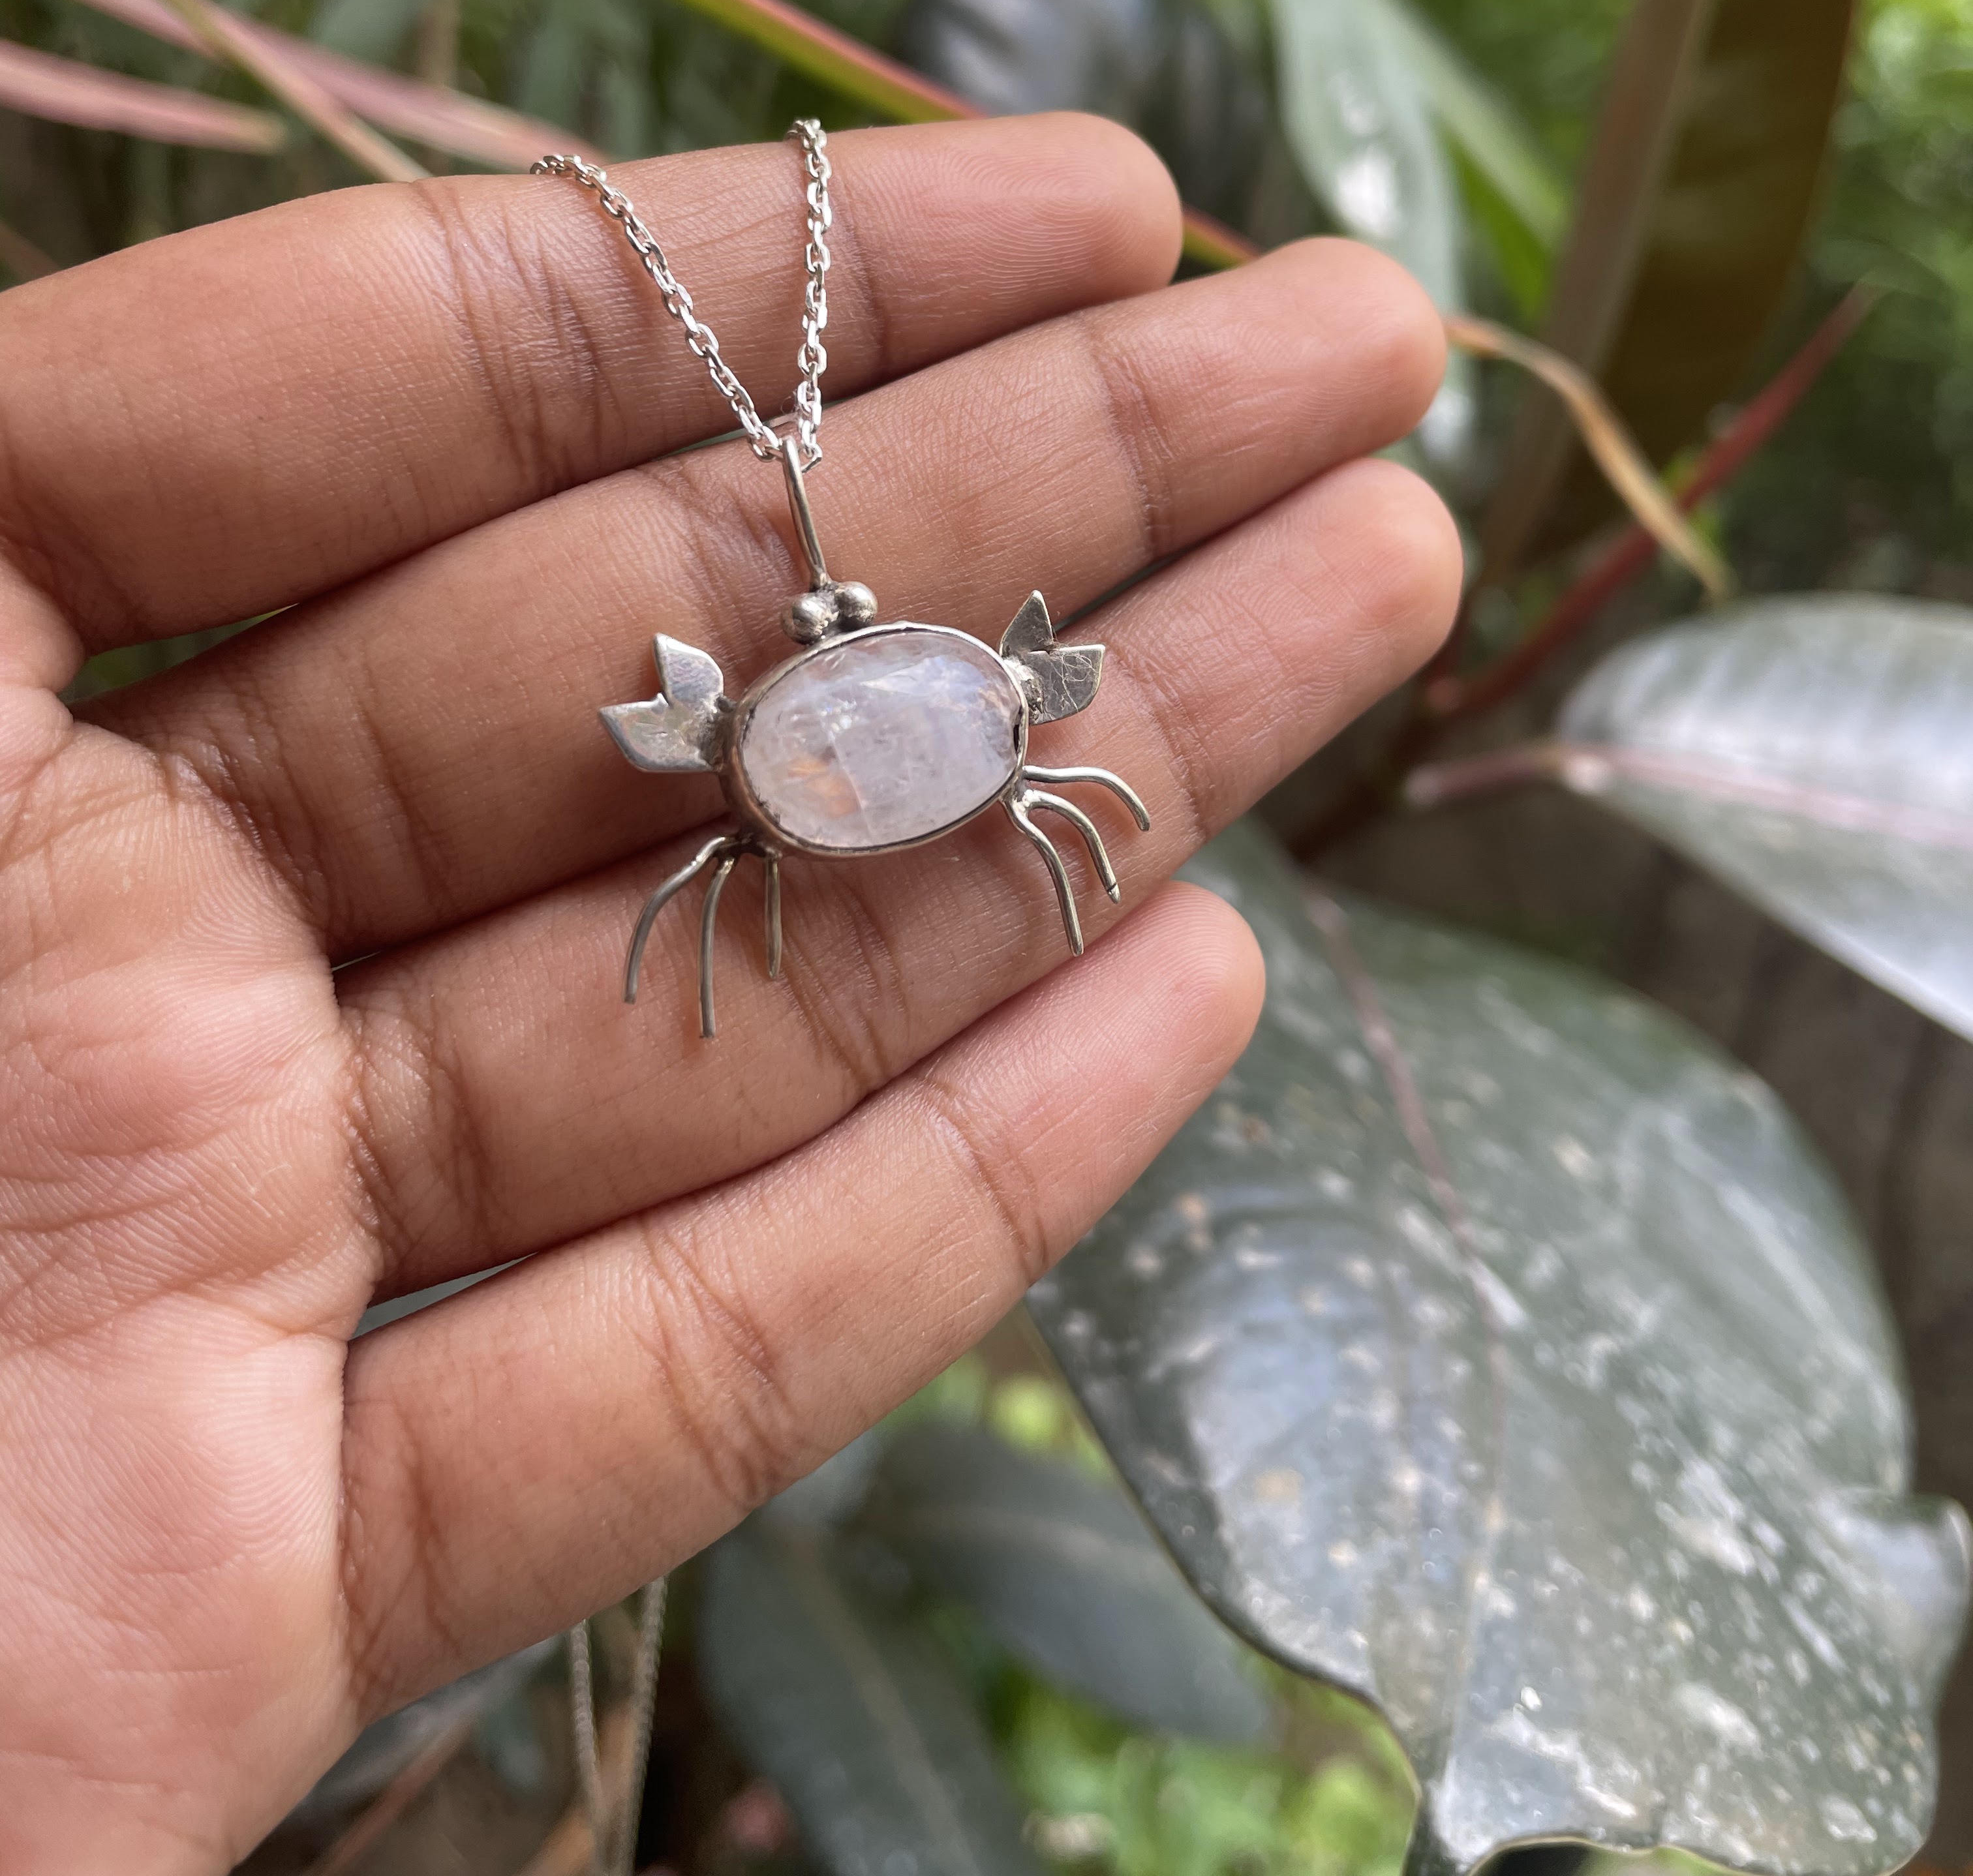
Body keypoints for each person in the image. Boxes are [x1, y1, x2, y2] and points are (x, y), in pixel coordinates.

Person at [0, 113, 1458, 1871]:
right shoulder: (804, 749)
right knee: (859, 873)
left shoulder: (939, 711)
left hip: (885, 773)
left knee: (1020, 833)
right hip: (822, 789)